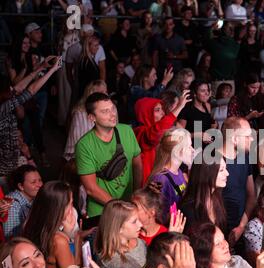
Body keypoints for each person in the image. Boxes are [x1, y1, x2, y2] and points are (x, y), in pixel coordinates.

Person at [75, 93, 142, 224]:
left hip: (129, 206)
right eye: (105, 111)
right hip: (102, 211)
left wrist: (136, 195)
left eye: (112, 109)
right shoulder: (84, 145)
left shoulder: (126, 131)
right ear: (91, 117)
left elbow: (137, 164)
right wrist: (119, 207)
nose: (112, 114)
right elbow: (91, 188)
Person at [0, 56, 61, 180]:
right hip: (6, 170)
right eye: (8, 88)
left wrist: (41, 67)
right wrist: (52, 70)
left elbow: (19, 87)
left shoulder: (4, 102)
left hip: (11, 162)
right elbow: (31, 90)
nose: (12, 89)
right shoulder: (3, 108)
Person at [21, 181, 91, 268]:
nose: (72, 208)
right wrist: (77, 237)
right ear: (58, 209)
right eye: (70, 204)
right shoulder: (59, 241)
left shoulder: (30, 223)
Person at [134, 91, 191, 184]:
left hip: (159, 178)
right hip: (146, 183)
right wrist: (179, 107)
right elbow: (155, 133)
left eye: (162, 109)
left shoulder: (159, 130)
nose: (163, 113)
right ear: (145, 113)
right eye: (157, 110)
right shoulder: (140, 132)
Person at [95, 200, 146, 268]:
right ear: (118, 228)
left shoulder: (136, 240)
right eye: (134, 221)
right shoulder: (114, 265)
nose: (140, 225)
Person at [218, 117, 256, 248]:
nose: (251, 139)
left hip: (240, 228)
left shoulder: (244, 157)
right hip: (218, 232)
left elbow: (252, 196)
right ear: (234, 139)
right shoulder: (212, 162)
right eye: (247, 136)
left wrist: (241, 226)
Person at [150, 127, 194, 222]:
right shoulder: (160, 179)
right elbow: (155, 214)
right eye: (189, 147)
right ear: (177, 151)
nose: (193, 150)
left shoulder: (180, 172)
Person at [179, 154, 228, 235]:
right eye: (222, 170)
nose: (227, 173)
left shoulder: (217, 198)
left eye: (226, 168)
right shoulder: (188, 209)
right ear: (207, 173)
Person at [63, 80, 108, 161]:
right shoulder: (80, 114)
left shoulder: (106, 112)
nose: (105, 95)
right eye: (101, 92)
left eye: (106, 92)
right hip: (81, 158)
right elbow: (79, 144)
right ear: (91, 95)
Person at [132, 182, 185, 246]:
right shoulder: (131, 232)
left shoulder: (165, 234)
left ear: (151, 213)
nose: (131, 209)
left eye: (135, 207)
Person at [3, 165, 42, 239]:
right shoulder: (12, 204)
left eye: (40, 180)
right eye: (33, 182)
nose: (39, 185)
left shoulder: (35, 197)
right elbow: (10, 237)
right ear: (21, 186)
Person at [177, 79, 217, 145]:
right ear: (194, 94)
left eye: (207, 90)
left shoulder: (207, 106)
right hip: (191, 147)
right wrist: (198, 135)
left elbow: (212, 124)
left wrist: (212, 130)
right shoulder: (186, 108)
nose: (207, 93)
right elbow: (180, 134)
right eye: (203, 91)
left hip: (207, 147)